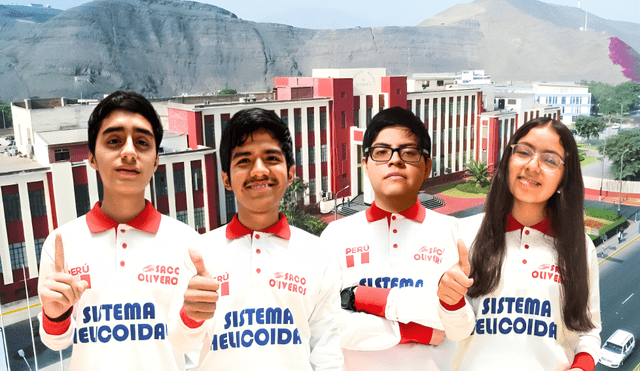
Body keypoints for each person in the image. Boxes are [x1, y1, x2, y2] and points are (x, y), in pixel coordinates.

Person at [167, 108, 343, 370]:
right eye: (244, 161)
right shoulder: (198, 253)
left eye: (271, 158)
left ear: (290, 173)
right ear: (226, 179)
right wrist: (191, 316)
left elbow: (326, 349)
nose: (259, 171)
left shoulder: (317, 253)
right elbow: (180, 344)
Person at [37, 91, 198, 371]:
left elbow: (188, 344)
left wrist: (195, 317)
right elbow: (57, 342)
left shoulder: (187, 244)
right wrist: (54, 314)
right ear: (92, 158)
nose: (128, 152)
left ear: (156, 160)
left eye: (142, 142)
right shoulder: (62, 243)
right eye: (113, 141)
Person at [437, 117, 601, 371]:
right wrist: (451, 299)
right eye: (524, 152)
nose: (532, 166)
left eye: (549, 160)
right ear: (508, 161)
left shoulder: (580, 247)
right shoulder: (464, 234)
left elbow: (588, 331)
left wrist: (581, 366)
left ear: (563, 179)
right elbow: (458, 333)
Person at [320, 107, 460, 370]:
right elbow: (326, 324)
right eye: (382, 152)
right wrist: (414, 332)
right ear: (365, 164)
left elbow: (458, 321)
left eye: (408, 152)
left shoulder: (454, 233)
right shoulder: (335, 236)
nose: (395, 161)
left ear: (427, 166)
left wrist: (364, 298)